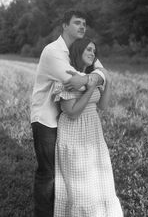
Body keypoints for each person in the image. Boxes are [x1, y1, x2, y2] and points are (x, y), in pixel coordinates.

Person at [30, 10, 105, 217]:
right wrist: (95, 79)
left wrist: (96, 77)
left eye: (84, 23)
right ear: (64, 25)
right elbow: (76, 80)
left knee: (64, 173)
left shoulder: (79, 48)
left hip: (64, 118)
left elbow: (102, 72)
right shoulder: (53, 51)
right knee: (49, 173)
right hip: (46, 118)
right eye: (77, 23)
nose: (82, 27)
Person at [53, 38, 124, 217]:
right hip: (73, 131)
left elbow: (103, 106)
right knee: (80, 187)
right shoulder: (67, 75)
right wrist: (91, 88)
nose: (92, 53)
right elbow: (72, 112)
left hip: (93, 131)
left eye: (94, 50)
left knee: (98, 179)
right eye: (88, 49)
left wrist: (107, 81)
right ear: (78, 51)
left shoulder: (93, 75)